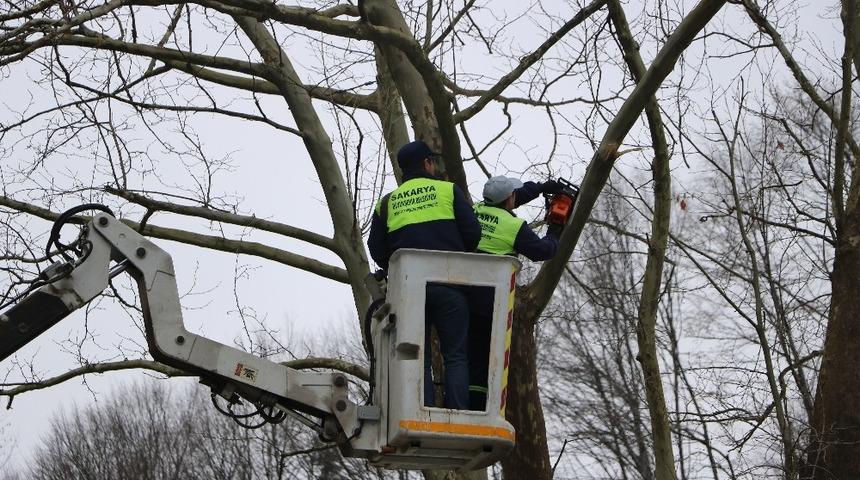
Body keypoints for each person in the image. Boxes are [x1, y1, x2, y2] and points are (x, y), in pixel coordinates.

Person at [367, 140, 481, 410]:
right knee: (455, 356)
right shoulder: (448, 191)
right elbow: (473, 234)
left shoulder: (387, 203)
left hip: (410, 290)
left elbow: (376, 249)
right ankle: (459, 412)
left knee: (420, 357)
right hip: (450, 284)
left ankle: (423, 411)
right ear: (427, 163)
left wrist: (398, 265)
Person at [467, 175, 563, 410]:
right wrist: (555, 229)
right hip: (489, 302)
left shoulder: (474, 210)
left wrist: (541, 188)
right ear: (509, 199)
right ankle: (477, 408)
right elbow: (543, 251)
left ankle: (456, 400)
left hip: (461, 293)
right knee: (482, 359)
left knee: (462, 354)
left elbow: (516, 196)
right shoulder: (513, 227)